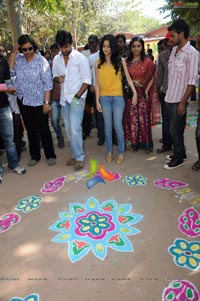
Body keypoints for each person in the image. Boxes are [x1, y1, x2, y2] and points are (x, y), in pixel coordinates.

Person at [9, 34, 56, 167]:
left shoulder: (41, 61)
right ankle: (34, 155)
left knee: (44, 128)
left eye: (30, 48)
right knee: (30, 129)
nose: (28, 52)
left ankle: (50, 155)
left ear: (34, 47)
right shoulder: (18, 59)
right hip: (23, 100)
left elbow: (48, 84)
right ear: (20, 49)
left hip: (39, 101)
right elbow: (11, 73)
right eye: (24, 49)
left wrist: (46, 103)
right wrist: (13, 53)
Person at [95, 34, 137, 164]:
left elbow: (129, 79)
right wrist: (97, 101)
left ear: (112, 47)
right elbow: (97, 84)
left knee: (118, 125)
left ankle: (121, 152)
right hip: (104, 98)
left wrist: (134, 93)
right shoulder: (97, 63)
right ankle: (108, 151)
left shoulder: (120, 61)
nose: (105, 49)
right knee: (108, 126)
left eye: (108, 46)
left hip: (118, 97)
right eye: (103, 46)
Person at [163, 19, 199, 169]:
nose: (170, 39)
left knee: (175, 130)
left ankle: (178, 159)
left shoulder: (192, 53)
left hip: (179, 99)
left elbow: (192, 81)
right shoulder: (174, 51)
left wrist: (183, 102)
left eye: (172, 36)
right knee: (173, 129)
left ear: (181, 34)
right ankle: (180, 152)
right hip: (169, 97)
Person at [52, 30, 91, 170]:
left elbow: (87, 81)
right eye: (61, 47)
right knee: (68, 130)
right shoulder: (57, 59)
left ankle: (80, 157)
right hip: (64, 99)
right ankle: (75, 155)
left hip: (77, 98)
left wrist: (77, 96)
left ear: (71, 44)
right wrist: (58, 78)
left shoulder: (81, 58)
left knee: (75, 129)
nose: (64, 50)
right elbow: (54, 75)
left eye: (66, 47)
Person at [123, 36, 156, 153]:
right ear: (130, 48)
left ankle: (146, 143)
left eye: (138, 46)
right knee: (132, 118)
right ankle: (135, 143)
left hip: (142, 94)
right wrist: (132, 82)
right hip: (131, 94)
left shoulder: (147, 62)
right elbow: (123, 78)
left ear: (142, 47)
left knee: (143, 119)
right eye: (133, 46)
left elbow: (153, 76)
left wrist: (146, 90)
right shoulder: (126, 62)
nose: (136, 49)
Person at [0, 52, 26, 183]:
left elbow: (7, 82)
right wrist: (4, 87)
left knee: (9, 139)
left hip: (4, 107)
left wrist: (11, 88)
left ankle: (14, 165)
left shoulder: (2, 62)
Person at [156, 34, 173, 154]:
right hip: (165, 91)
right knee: (166, 119)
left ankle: (178, 147)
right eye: (168, 40)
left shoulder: (182, 54)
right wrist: (158, 89)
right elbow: (160, 75)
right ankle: (167, 144)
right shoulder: (163, 56)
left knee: (176, 120)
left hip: (179, 93)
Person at [82, 35, 99, 140]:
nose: (91, 45)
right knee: (87, 110)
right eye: (89, 42)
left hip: (98, 86)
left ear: (97, 43)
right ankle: (86, 130)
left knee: (98, 109)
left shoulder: (100, 54)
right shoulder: (83, 54)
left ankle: (100, 130)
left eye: (93, 42)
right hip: (86, 87)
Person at [50, 43, 65, 148]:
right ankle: (60, 138)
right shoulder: (49, 65)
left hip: (66, 97)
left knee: (70, 122)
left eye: (55, 51)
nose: (53, 54)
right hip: (55, 98)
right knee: (54, 120)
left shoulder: (66, 62)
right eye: (52, 52)